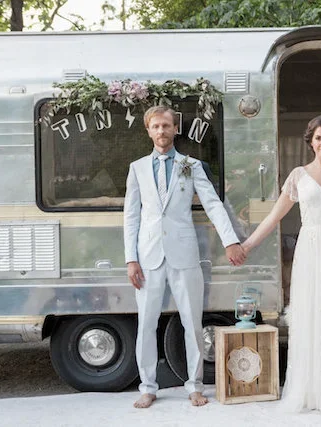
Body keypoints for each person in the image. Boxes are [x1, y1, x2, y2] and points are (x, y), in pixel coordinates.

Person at [242, 115, 321, 413]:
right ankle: (312, 391)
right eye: (318, 138)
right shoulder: (298, 175)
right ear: (310, 142)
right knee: (312, 313)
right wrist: (248, 245)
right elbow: (274, 216)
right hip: (311, 249)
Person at [124, 106, 245, 409]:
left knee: (192, 322)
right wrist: (130, 259)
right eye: (156, 126)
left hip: (184, 254)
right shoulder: (137, 168)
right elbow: (131, 216)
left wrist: (230, 241)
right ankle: (148, 387)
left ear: (175, 129)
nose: (161, 131)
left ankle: (194, 386)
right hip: (148, 256)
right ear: (148, 130)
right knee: (146, 324)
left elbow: (213, 205)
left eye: (166, 125)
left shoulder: (191, 165)